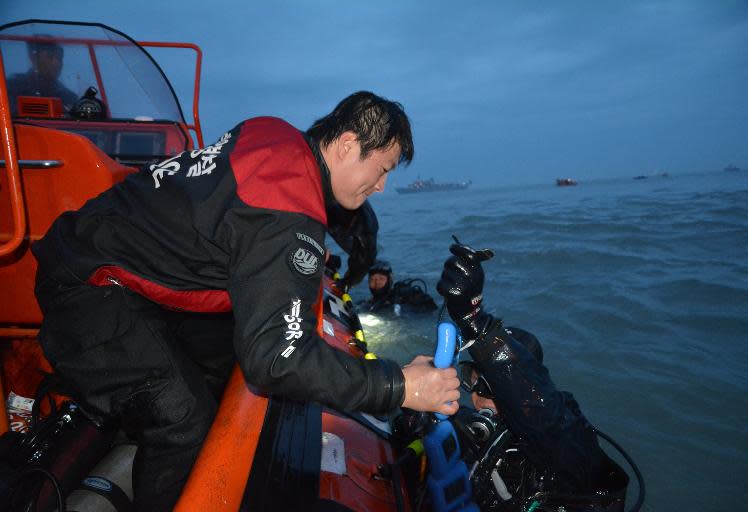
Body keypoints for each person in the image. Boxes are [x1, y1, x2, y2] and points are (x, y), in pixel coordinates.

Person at [31, 91, 460, 510]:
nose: (382, 187)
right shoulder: (290, 205)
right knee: (184, 420)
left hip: (97, 252)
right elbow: (278, 360)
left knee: (219, 365)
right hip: (87, 285)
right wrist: (400, 385)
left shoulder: (276, 137)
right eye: (382, 168)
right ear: (348, 144)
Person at [435, 242, 629, 511]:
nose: (477, 396)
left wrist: (474, 321)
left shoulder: (568, 441)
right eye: (472, 380)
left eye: (492, 388)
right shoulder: (480, 433)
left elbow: (541, 411)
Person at [6, 37, 79, 115]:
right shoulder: (13, 88)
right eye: (50, 57)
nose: (56, 63)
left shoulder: (69, 97)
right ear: (34, 58)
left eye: (59, 58)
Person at [359, 259, 438, 314]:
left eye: (381, 278)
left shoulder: (404, 296)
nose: (377, 282)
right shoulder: (366, 304)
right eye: (372, 279)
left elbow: (432, 308)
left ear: (390, 279)